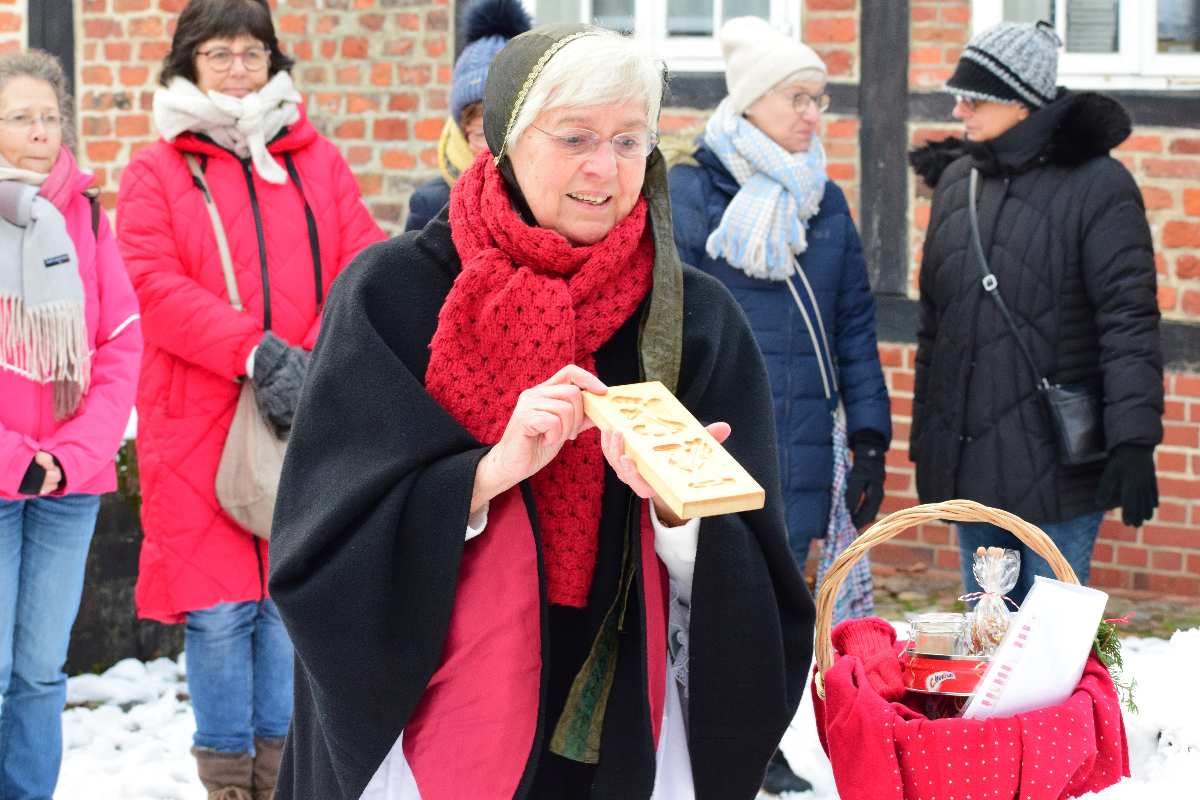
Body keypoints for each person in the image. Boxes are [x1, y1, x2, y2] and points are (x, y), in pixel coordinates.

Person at [269, 24, 815, 800]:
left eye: (630, 141)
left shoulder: (695, 320)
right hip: (439, 714)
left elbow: (758, 573)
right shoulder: (393, 296)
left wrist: (680, 508)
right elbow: (320, 543)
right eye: (577, 137)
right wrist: (485, 475)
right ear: (506, 142)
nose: (605, 168)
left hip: (624, 711)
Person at [115, 0, 384, 797]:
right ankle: (228, 779)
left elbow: (362, 259)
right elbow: (152, 283)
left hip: (308, 406)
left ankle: (280, 774)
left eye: (253, 52)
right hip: (201, 416)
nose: (239, 68)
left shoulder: (316, 161)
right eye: (219, 53)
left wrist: (320, 356)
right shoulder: (156, 170)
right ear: (187, 63)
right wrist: (255, 350)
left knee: (285, 603)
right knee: (223, 611)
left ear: (274, 61)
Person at [668, 18, 891, 794]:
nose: (812, 114)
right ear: (754, 100)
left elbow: (854, 329)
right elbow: (668, 326)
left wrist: (868, 440)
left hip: (804, 449)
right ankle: (697, 748)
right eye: (798, 97)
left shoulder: (823, 202)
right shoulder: (692, 194)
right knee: (708, 611)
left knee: (782, 615)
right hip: (716, 443)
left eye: (819, 99)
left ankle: (762, 743)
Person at [908, 20, 1162, 605]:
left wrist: (1134, 441)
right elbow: (935, 328)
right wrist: (930, 440)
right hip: (969, 464)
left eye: (975, 97)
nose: (959, 109)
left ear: (1021, 102)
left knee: (1050, 646)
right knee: (984, 641)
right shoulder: (956, 184)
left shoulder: (1098, 186)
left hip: (1057, 472)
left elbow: (1127, 321)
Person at [0, 49, 142, 800]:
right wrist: (16, 458)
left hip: (67, 485)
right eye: (20, 117)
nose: (38, 131)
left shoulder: (85, 216)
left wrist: (71, 455)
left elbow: (121, 340)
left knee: (39, 671)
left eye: (48, 117)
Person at [404, 0, 532, 232]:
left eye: (508, 130)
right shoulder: (430, 206)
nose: (495, 147)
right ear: (462, 132)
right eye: (482, 133)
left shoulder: (543, 202)